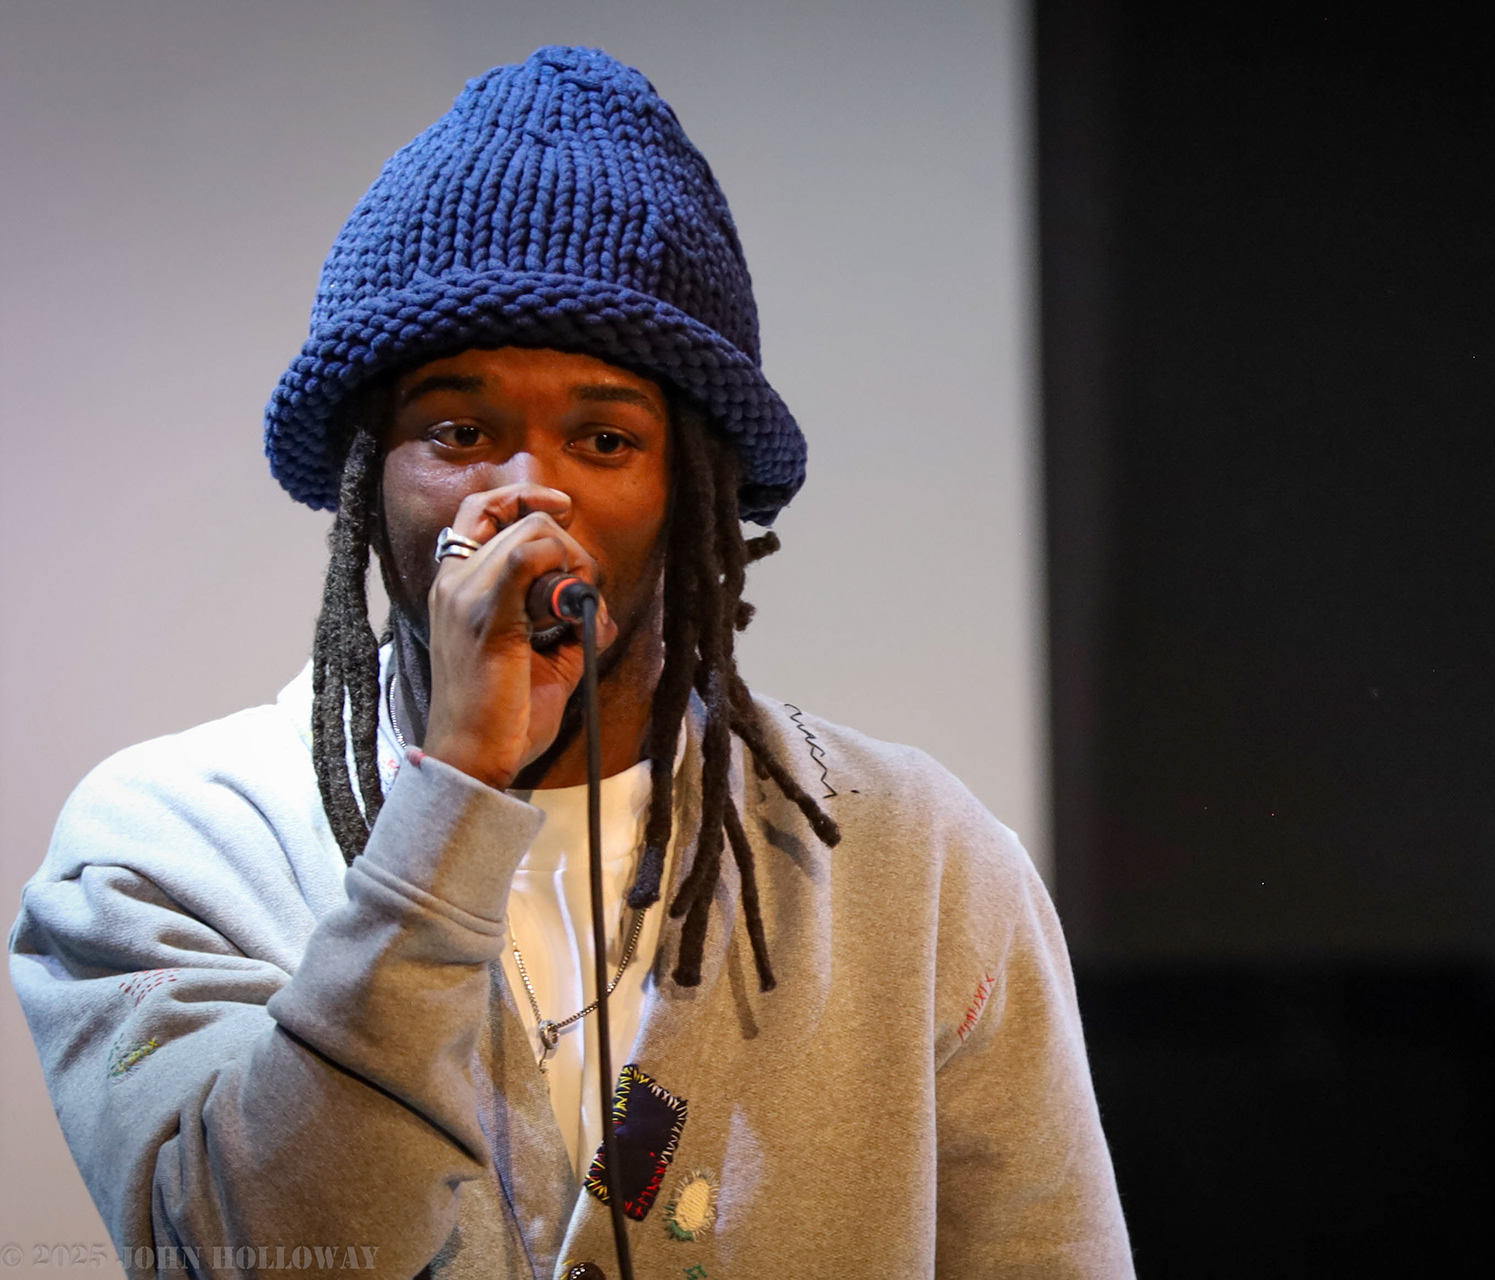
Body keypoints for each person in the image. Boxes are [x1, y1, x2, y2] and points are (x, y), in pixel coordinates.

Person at [10, 47, 1132, 1279]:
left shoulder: (917, 859)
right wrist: (454, 790)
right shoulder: (168, 845)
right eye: (459, 430)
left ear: (693, 489)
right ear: (368, 475)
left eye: (604, 438)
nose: (525, 496)